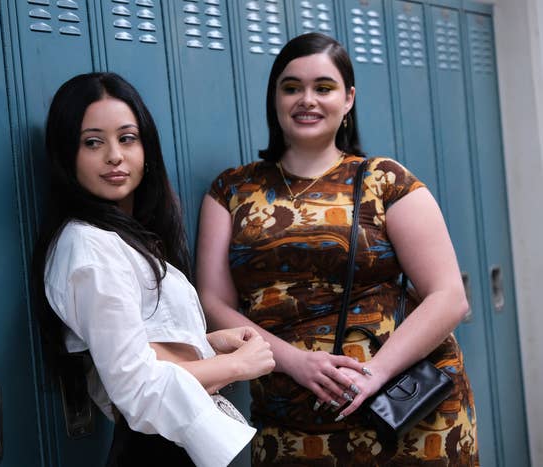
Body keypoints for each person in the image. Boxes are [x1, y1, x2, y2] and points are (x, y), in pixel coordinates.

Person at [196, 33, 478, 465]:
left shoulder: (385, 180)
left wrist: (374, 374)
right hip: (290, 420)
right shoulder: (232, 190)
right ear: (275, 97)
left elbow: (448, 297)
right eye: (292, 87)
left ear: (347, 99)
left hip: (404, 410)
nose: (306, 99)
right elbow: (213, 302)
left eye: (322, 88)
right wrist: (292, 361)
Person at [31, 72, 275, 467]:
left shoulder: (124, 238)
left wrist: (207, 344)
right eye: (93, 142)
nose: (114, 155)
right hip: (151, 453)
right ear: (67, 155)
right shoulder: (89, 246)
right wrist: (238, 366)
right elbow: (135, 387)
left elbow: (140, 348)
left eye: (127, 138)